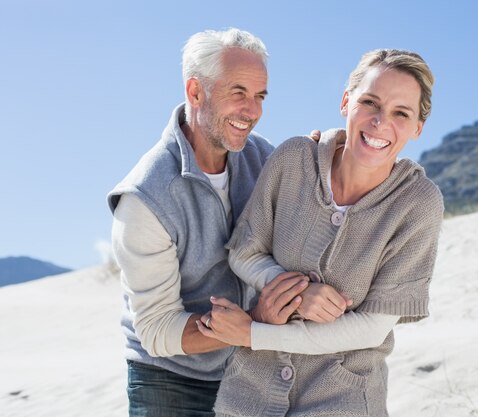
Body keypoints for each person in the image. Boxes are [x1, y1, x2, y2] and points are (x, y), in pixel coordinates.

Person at [197, 48, 444, 416]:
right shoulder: (295, 158)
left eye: (400, 113)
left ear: (417, 128)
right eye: (370, 103)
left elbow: (370, 330)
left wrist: (252, 334)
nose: (379, 122)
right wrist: (296, 292)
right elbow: (245, 251)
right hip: (247, 396)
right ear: (346, 102)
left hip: (343, 400)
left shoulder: (417, 204)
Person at [107, 28, 329, 417]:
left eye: (260, 96)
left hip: (251, 368)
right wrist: (252, 323)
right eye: (238, 92)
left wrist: (328, 155)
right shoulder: (145, 199)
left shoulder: (268, 162)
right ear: (195, 92)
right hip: (170, 379)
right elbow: (157, 330)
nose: (252, 111)